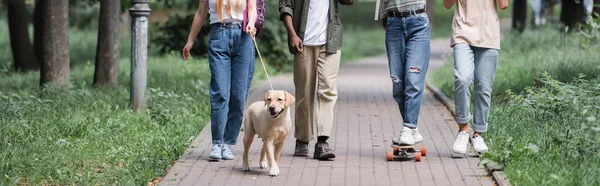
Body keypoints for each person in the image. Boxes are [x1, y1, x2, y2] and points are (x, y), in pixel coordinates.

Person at [182, 0, 258, 160]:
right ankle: (217, 143)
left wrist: (251, 23)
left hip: (243, 37)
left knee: (238, 95)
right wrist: (190, 41)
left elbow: (253, 9)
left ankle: (228, 143)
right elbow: (201, 13)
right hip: (218, 37)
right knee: (220, 93)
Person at [279, 0, 353, 160]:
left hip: (330, 42)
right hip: (303, 42)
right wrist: (292, 34)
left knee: (327, 91)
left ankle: (322, 141)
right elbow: (285, 6)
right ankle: (303, 139)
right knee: (304, 93)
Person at [443, 0, 509, 154]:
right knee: (462, 78)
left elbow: (503, 4)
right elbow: (447, 4)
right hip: (462, 32)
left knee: (483, 87)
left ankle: (478, 133)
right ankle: (463, 130)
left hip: (488, 35)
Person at [376, 0, 430, 146]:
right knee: (398, 83)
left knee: (413, 78)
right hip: (393, 22)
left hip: (418, 20)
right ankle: (412, 130)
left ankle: (408, 127)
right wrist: (384, 14)